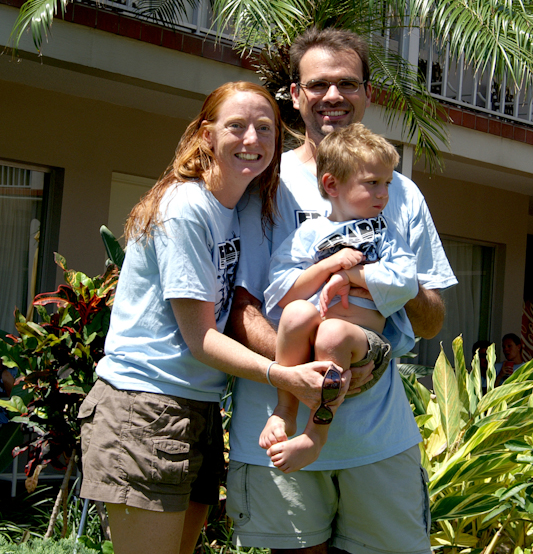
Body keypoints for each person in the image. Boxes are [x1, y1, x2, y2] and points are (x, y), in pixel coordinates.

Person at [76, 81, 342, 554]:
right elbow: (200, 339)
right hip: (146, 404)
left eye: (265, 128)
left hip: (197, 407)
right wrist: (285, 374)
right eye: (236, 126)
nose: (252, 139)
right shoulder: (185, 209)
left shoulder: (235, 208)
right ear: (206, 135)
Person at [227, 27, 458, 554]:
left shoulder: (398, 190)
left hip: (379, 439)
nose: (333, 96)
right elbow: (240, 306)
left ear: (368, 93)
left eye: (348, 83)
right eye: (318, 84)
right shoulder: (263, 179)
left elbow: (432, 319)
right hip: (276, 437)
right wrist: (305, 371)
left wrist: (372, 294)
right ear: (295, 94)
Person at [260, 125, 418, 473]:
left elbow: (406, 282)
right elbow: (283, 291)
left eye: (387, 184)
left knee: (333, 333)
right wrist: (329, 266)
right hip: (315, 330)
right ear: (332, 185)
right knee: (297, 313)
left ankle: (315, 435)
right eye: (372, 183)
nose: (383, 194)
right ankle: (284, 410)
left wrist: (350, 277)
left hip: (361, 341)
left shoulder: (386, 235)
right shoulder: (309, 234)